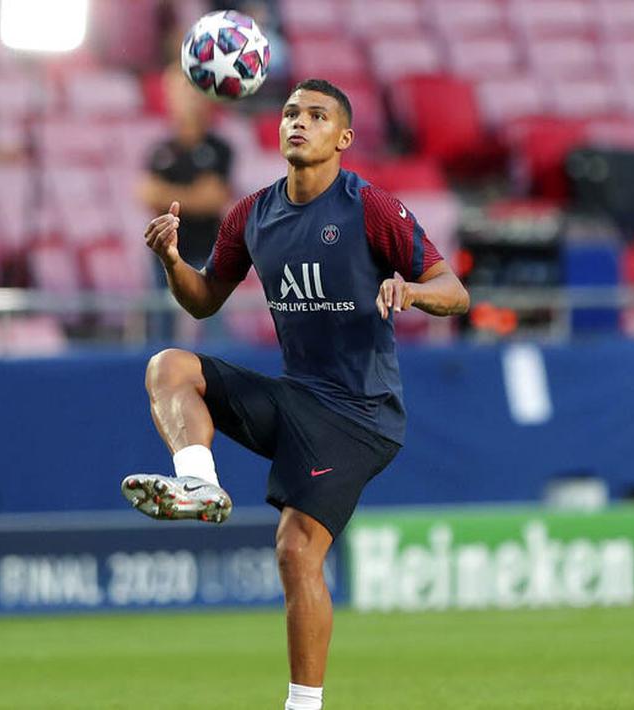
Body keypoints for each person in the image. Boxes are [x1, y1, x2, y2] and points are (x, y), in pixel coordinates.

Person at [121, 78, 470, 710]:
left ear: (345, 137)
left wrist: (413, 291)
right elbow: (203, 301)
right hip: (299, 397)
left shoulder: (369, 206)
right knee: (169, 365)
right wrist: (174, 259)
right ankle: (198, 483)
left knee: (294, 546)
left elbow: (455, 289)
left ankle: (303, 706)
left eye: (315, 115)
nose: (297, 123)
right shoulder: (252, 214)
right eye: (288, 113)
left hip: (361, 415)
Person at [138, 65, 233, 340]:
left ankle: (217, 380)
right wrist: (194, 195)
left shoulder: (219, 148)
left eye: (192, 91)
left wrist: (168, 194)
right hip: (166, 254)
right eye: (179, 91)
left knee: (215, 334)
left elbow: (213, 199)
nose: (186, 98)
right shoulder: (159, 150)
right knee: (160, 336)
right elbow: (147, 195)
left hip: (208, 253)